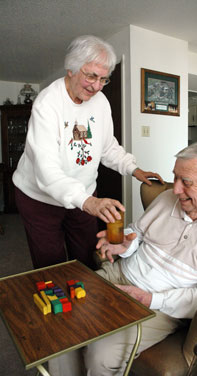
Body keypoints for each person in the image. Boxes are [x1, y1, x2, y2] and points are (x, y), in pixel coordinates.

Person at [81, 141, 197, 375]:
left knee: (100, 354)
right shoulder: (167, 198)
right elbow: (136, 234)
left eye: (186, 182)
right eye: (175, 177)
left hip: (161, 306)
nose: (176, 189)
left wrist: (151, 299)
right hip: (121, 273)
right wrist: (125, 246)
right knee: (66, 315)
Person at [12, 35, 163, 270]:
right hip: (39, 198)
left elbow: (107, 146)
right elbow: (47, 170)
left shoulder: (101, 102)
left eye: (103, 79)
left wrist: (133, 168)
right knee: (50, 263)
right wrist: (89, 202)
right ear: (71, 69)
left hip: (83, 194)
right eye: (91, 75)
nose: (96, 86)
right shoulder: (47, 104)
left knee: (86, 257)